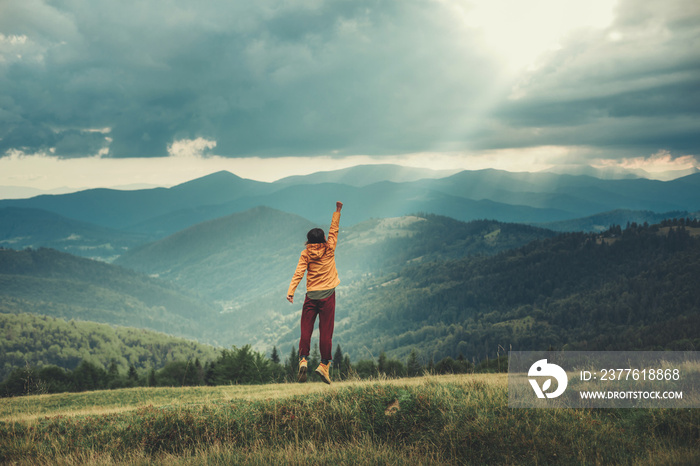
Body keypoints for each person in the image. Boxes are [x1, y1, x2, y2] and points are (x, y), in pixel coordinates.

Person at [287, 201, 343, 384]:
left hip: (311, 296)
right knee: (326, 331)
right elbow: (334, 230)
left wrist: (291, 291)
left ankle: (303, 358)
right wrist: (337, 211)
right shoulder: (329, 248)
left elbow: (299, 273)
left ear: (309, 241)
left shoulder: (305, 254)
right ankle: (324, 365)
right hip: (327, 296)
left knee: (306, 329)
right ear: (323, 239)